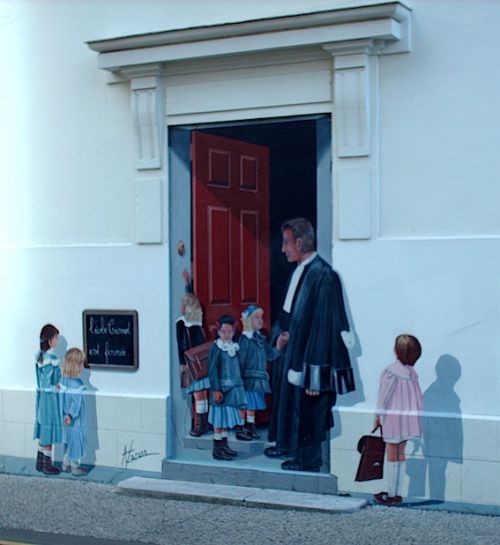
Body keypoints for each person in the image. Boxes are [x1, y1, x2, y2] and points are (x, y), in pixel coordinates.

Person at [265, 218, 356, 472]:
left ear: (300, 242)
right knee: (291, 404)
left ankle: (308, 460)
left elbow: (326, 326)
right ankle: (287, 446)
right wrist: (282, 336)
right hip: (293, 352)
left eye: (286, 243)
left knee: (309, 409)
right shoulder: (301, 269)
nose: (283, 249)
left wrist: (315, 375)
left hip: (311, 359)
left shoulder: (324, 275)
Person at [373, 334, 423, 505]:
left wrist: (377, 415)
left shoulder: (390, 372)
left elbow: (384, 396)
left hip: (392, 419)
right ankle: (397, 493)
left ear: (396, 350)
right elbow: (418, 400)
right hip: (407, 420)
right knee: (400, 454)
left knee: (392, 455)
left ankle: (392, 494)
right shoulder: (413, 375)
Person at [237, 305, 288, 440]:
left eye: (261, 317)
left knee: (252, 405)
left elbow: (269, 356)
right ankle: (241, 428)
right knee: (244, 403)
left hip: (258, 380)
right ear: (248, 321)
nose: (260, 320)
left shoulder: (260, 339)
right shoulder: (245, 341)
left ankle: (250, 426)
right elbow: (240, 362)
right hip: (247, 379)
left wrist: (279, 345)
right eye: (256, 317)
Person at [208, 315, 247, 460]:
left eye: (229, 332)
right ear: (218, 331)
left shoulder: (234, 348)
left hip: (232, 391)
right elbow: (212, 370)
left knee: (224, 420)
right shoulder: (216, 348)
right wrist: (216, 389)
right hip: (221, 391)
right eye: (223, 331)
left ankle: (224, 445)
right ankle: (217, 448)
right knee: (219, 420)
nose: (226, 335)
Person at [176, 270, 210, 437]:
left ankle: (200, 423)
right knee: (201, 393)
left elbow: (180, 344)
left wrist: (182, 363)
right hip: (199, 362)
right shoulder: (197, 322)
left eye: (183, 304)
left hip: (192, 363)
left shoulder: (184, 323)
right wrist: (187, 284)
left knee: (198, 394)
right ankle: (203, 421)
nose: (180, 307)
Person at [33, 323, 62, 475]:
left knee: (43, 426)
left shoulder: (40, 356)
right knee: (49, 429)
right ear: (50, 340)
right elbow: (50, 380)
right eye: (56, 338)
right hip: (49, 398)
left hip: (41, 397)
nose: (57, 341)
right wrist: (55, 386)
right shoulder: (51, 358)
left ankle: (39, 461)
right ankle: (47, 464)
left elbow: (41, 380)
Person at [60, 347, 88, 477]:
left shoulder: (62, 381)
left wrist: (65, 414)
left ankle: (65, 463)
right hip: (74, 419)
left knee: (68, 440)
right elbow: (76, 403)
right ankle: (75, 466)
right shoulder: (78, 384)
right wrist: (71, 415)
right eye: (81, 363)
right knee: (75, 441)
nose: (83, 366)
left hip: (64, 417)